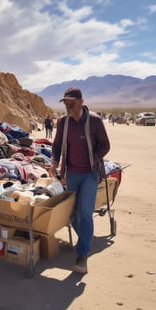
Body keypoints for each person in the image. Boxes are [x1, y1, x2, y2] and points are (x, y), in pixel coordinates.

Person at [49, 87, 110, 273]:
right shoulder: (63, 122)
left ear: (81, 102)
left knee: (85, 212)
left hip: (90, 175)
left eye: (72, 103)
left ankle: (82, 256)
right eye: (66, 103)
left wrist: (94, 159)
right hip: (72, 174)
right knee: (71, 214)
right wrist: (54, 161)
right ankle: (86, 238)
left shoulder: (94, 121)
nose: (68, 106)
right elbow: (57, 144)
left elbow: (105, 145)